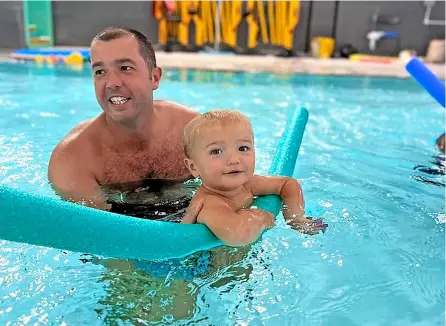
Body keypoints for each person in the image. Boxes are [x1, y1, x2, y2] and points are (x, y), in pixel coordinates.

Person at [47, 26, 199, 218]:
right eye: (100, 71)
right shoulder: (73, 160)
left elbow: (231, 191)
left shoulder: (190, 130)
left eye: (125, 68)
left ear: (154, 77)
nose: (112, 83)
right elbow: (100, 236)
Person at [180, 110, 328, 245]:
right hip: (210, 265)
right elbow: (239, 235)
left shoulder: (247, 184)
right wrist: (260, 216)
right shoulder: (209, 203)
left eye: (243, 148)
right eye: (216, 151)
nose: (234, 159)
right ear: (193, 167)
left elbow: (287, 184)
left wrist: (296, 218)